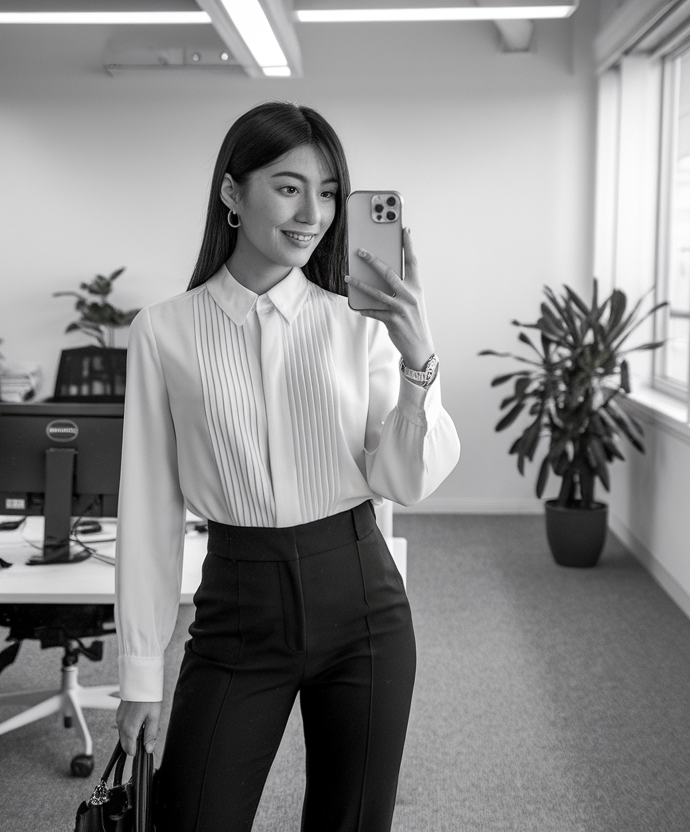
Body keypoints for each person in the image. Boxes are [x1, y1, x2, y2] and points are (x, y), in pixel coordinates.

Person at [113, 101, 460, 832]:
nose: (315, 212)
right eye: (290, 186)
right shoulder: (164, 333)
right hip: (240, 603)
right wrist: (142, 674)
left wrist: (419, 361)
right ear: (233, 195)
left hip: (362, 597)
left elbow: (406, 481)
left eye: (329, 191)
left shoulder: (358, 325)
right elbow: (148, 513)